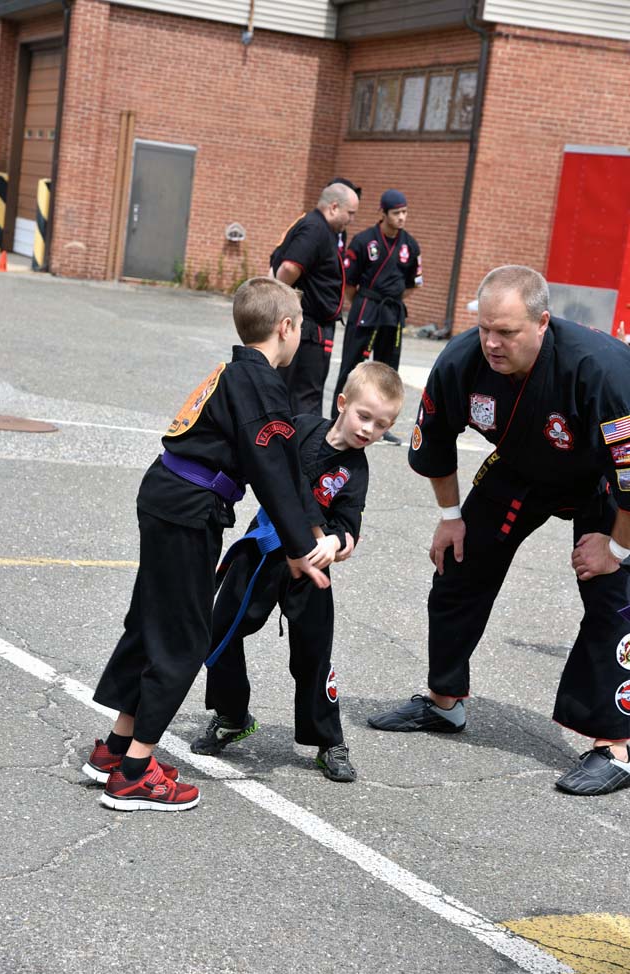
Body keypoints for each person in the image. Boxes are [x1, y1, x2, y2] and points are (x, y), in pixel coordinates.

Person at [368, 265, 630, 796]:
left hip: (605, 480)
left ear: (542, 324)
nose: (492, 342)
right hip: (520, 467)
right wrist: (450, 518)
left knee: (615, 596)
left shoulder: (599, 370)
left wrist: (618, 547)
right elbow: (436, 443)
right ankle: (445, 703)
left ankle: (616, 745)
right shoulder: (462, 360)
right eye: (486, 327)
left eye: (507, 332)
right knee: (457, 565)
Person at [82, 277, 333, 812]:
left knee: (153, 621)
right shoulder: (260, 384)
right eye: (300, 330)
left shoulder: (236, 373)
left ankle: (118, 747)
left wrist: (310, 526)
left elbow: (284, 464)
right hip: (187, 508)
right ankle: (133, 776)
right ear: (286, 328)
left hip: (166, 495)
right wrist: (297, 549)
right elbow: (271, 470)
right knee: (182, 637)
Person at [191, 361, 404, 781]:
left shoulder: (355, 471)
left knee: (313, 654)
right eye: (364, 416)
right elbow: (268, 467)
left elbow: (349, 527)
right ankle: (232, 715)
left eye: (381, 425)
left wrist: (333, 543)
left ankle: (328, 740)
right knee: (221, 630)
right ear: (342, 404)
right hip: (263, 552)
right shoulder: (301, 426)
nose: (368, 430)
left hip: (310, 569)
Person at [331, 189, 423, 446]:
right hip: (367, 308)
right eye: (397, 213)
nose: (402, 218)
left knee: (388, 372)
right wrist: (363, 302)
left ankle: (381, 424)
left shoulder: (410, 245)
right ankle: (336, 418)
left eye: (405, 212)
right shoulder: (364, 241)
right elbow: (349, 284)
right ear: (382, 213)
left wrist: (393, 301)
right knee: (352, 366)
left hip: (392, 312)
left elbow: (413, 284)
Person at [271, 182, 360, 416]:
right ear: (333, 207)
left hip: (311, 326)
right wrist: (282, 300)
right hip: (309, 328)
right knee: (306, 395)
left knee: (300, 392)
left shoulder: (319, 228)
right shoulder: (315, 229)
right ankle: (304, 449)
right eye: (350, 213)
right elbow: (289, 267)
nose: (351, 220)